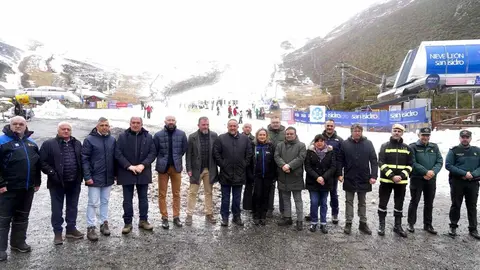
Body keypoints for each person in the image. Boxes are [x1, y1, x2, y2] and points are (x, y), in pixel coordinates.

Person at [0, 116, 41, 261]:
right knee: (3, 219)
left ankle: (18, 243)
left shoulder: (31, 143)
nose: (18, 126)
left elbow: (36, 164)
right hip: (7, 189)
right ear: (10, 125)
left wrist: (37, 182)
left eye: (21, 124)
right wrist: (1, 184)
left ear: (26, 126)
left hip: (27, 188)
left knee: (22, 217)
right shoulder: (2, 141)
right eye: (15, 124)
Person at [40, 122, 84, 245]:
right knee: (57, 209)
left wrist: (82, 177)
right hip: (57, 183)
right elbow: (42, 162)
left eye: (68, 129)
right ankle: (58, 233)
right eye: (63, 129)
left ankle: (71, 229)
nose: (66, 131)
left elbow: (82, 160)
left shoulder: (77, 143)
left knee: (72, 207)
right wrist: (52, 173)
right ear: (58, 130)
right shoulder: (49, 144)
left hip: (74, 182)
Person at [115, 117, 157, 234]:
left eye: (138, 123)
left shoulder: (148, 137)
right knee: (127, 199)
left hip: (143, 171)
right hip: (126, 171)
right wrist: (129, 166)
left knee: (143, 198)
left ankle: (143, 220)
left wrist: (143, 165)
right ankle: (127, 223)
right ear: (130, 124)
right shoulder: (123, 137)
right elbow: (118, 153)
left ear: (141, 124)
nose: (135, 125)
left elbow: (152, 153)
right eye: (133, 123)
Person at [338, 124, 378, 235]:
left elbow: (374, 161)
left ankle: (363, 223)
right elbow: (340, 160)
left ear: (362, 132)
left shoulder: (368, 143)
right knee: (349, 201)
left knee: (362, 202)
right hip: (349, 177)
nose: (357, 133)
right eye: (355, 131)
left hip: (363, 177)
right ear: (351, 132)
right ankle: (348, 223)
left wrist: (374, 176)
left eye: (359, 131)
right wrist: (339, 174)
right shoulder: (345, 144)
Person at [213, 119, 253, 227]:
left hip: (240, 173)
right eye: (230, 126)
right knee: (225, 197)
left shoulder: (244, 139)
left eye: (234, 126)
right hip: (225, 173)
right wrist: (222, 164)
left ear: (237, 127)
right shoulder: (221, 138)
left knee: (237, 197)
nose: (232, 128)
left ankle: (236, 216)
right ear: (227, 127)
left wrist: (244, 164)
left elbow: (249, 153)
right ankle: (224, 217)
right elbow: (216, 152)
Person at [82, 117, 116, 241]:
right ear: (97, 127)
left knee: (105, 201)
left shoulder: (112, 140)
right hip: (94, 177)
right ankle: (91, 227)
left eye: (106, 125)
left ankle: (104, 223)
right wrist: (87, 176)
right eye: (102, 125)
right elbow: (84, 159)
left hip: (108, 176)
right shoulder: (89, 140)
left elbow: (115, 158)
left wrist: (115, 174)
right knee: (93, 203)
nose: (104, 127)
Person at [377, 124, 413, 237]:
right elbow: (381, 163)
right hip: (386, 181)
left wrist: (401, 176)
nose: (396, 132)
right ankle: (381, 225)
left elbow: (410, 165)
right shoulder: (385, 146)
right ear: (391, 132)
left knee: (399, 204)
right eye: (395, 130)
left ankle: (398, 226)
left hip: (401, 182)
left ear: (402, 133)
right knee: (383, 203)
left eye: (399, 131)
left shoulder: (407, 148)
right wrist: (392, 176)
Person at [154, 115, 188, 229]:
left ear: (175, 121)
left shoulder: (182, 134)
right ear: (165, 121)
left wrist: (176, 158)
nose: (171, 122)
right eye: (169, 120)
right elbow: (156, 150)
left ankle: (176, 216)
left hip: (176, 167)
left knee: (177, 193)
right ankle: (164, 217)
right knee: (162, 194)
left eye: (173, 120)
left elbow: (183, 149)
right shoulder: (158, 135)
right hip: (163, 168)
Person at [407, 127, 443, 235]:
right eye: (423, 135)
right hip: (417, 178)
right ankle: (411, 223)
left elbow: (439, 161)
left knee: (429, 202)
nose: (425, 137)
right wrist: (425, 172)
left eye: (427, 135)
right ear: (419, 135)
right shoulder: (412, 147)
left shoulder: (434, 147)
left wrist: (433, 172)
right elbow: (412, 162)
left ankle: (428, 224)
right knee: (415, 201)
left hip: (431, 179)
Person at [446, 130, 480, 239]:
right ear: (459, 138)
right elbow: (449, 165)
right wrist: (464, 173)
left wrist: (473, 174)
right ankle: (453, 226)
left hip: (473, 182)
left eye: (467, 137)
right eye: (463, 137)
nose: (465, 139)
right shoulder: (454, 151)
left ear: (470, 138)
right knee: (456, 204)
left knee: (472, 206)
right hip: (458, 182)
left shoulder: (477, 151)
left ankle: (473, 229)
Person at [185, 117, 218, 225]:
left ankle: (209, 213)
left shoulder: (214, 135)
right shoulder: (192, 137)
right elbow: (188, 155)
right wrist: (189, 169)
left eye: (207, 124)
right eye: (203, 125)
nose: (206, 127)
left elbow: (217, 152)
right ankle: (189, 215)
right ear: (198, 125)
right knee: (192, 192)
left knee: (209, 192)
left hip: (209, 169)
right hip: (196, 170)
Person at [275, 127, 307, 231]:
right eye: (287, 134)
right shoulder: (280, 145)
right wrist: (283, 165)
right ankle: (287, 217)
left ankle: (299, 220)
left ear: (295, 134)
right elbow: (277, 157)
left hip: (295, 176)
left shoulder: (301, 145)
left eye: (291, 134)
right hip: (283, 175)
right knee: (285, 199)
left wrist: (289, 166)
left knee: (298, 200)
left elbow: (300, 158)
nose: (289, 135)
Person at [304, 134, 336, 234]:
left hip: (325, 183)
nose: (319, 143)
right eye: (317, 141)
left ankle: (323, 223)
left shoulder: (331, 152)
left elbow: (333, 167)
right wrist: (317, 177)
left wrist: (323, 177)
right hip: (313, 182)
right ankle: (313, 222)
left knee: (323, 203)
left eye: (321, 141)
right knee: (314, 202)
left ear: (324, 142)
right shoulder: (309, 152)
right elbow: (307, 167)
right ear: (315, 142)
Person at [251, 128, 276, 226]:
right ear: (257, 136)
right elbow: (250, 161)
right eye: (260, 135)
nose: (262, 136)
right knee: (257, 195)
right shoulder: (254, 146)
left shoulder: (270, 147)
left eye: (263, 135)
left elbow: (274, 162)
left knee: (266, 196)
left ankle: (263, 215)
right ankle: (256, 215)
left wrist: (273, 175)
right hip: (257, 176)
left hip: (267, 176)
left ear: (266, 136)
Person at [321, 119, 343, 224]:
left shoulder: (339, 140)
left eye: (331, 126)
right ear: (325, 126)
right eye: (328, 126)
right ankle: (315, 212)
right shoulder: (319, 138)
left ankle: (335, 214)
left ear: (334, 127)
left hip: (333, 172)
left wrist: (340, 173)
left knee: (333, 193)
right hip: (321, 172)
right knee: (319, 192)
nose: (329, 127)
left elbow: (341, 158)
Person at [267, 116, 286, 218]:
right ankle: (269, 208)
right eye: (273, 122)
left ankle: (283, 209)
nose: (275, 124)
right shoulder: (266, 132)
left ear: (280, 123)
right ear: (270, 123)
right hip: (269, 164)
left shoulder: (285, 133)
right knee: (270, 188)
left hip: (282, 164)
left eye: (277, 122)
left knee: (282, 188)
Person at [241, 123, 255, 211]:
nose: (247, 129)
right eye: (246, 127)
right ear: (243, 128)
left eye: (249, 127)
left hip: (250, 165)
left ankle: (248, 205)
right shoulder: (238, 137)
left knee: (249, 186)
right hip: (239, 165)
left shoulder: (254, 139)